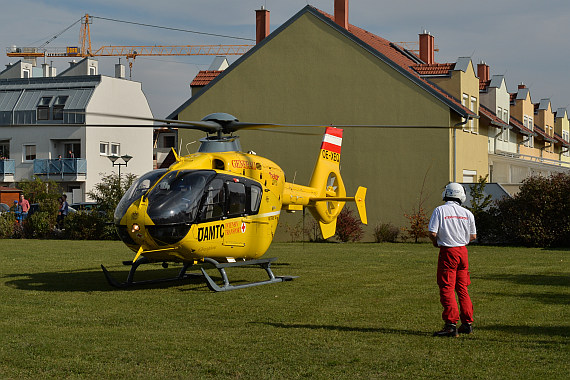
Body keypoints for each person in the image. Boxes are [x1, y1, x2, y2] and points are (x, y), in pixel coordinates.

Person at [428, 182, 477, 337]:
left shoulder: (440, 210)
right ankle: (467, 323)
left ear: (446, 194)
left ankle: (450, 325)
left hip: (448, 252)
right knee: (462, 288)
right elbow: (473, 236)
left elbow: (432, 233)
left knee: (447, 287)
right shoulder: (467, 213)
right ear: (461, 196)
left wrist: (436, 242)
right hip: (463, 252)